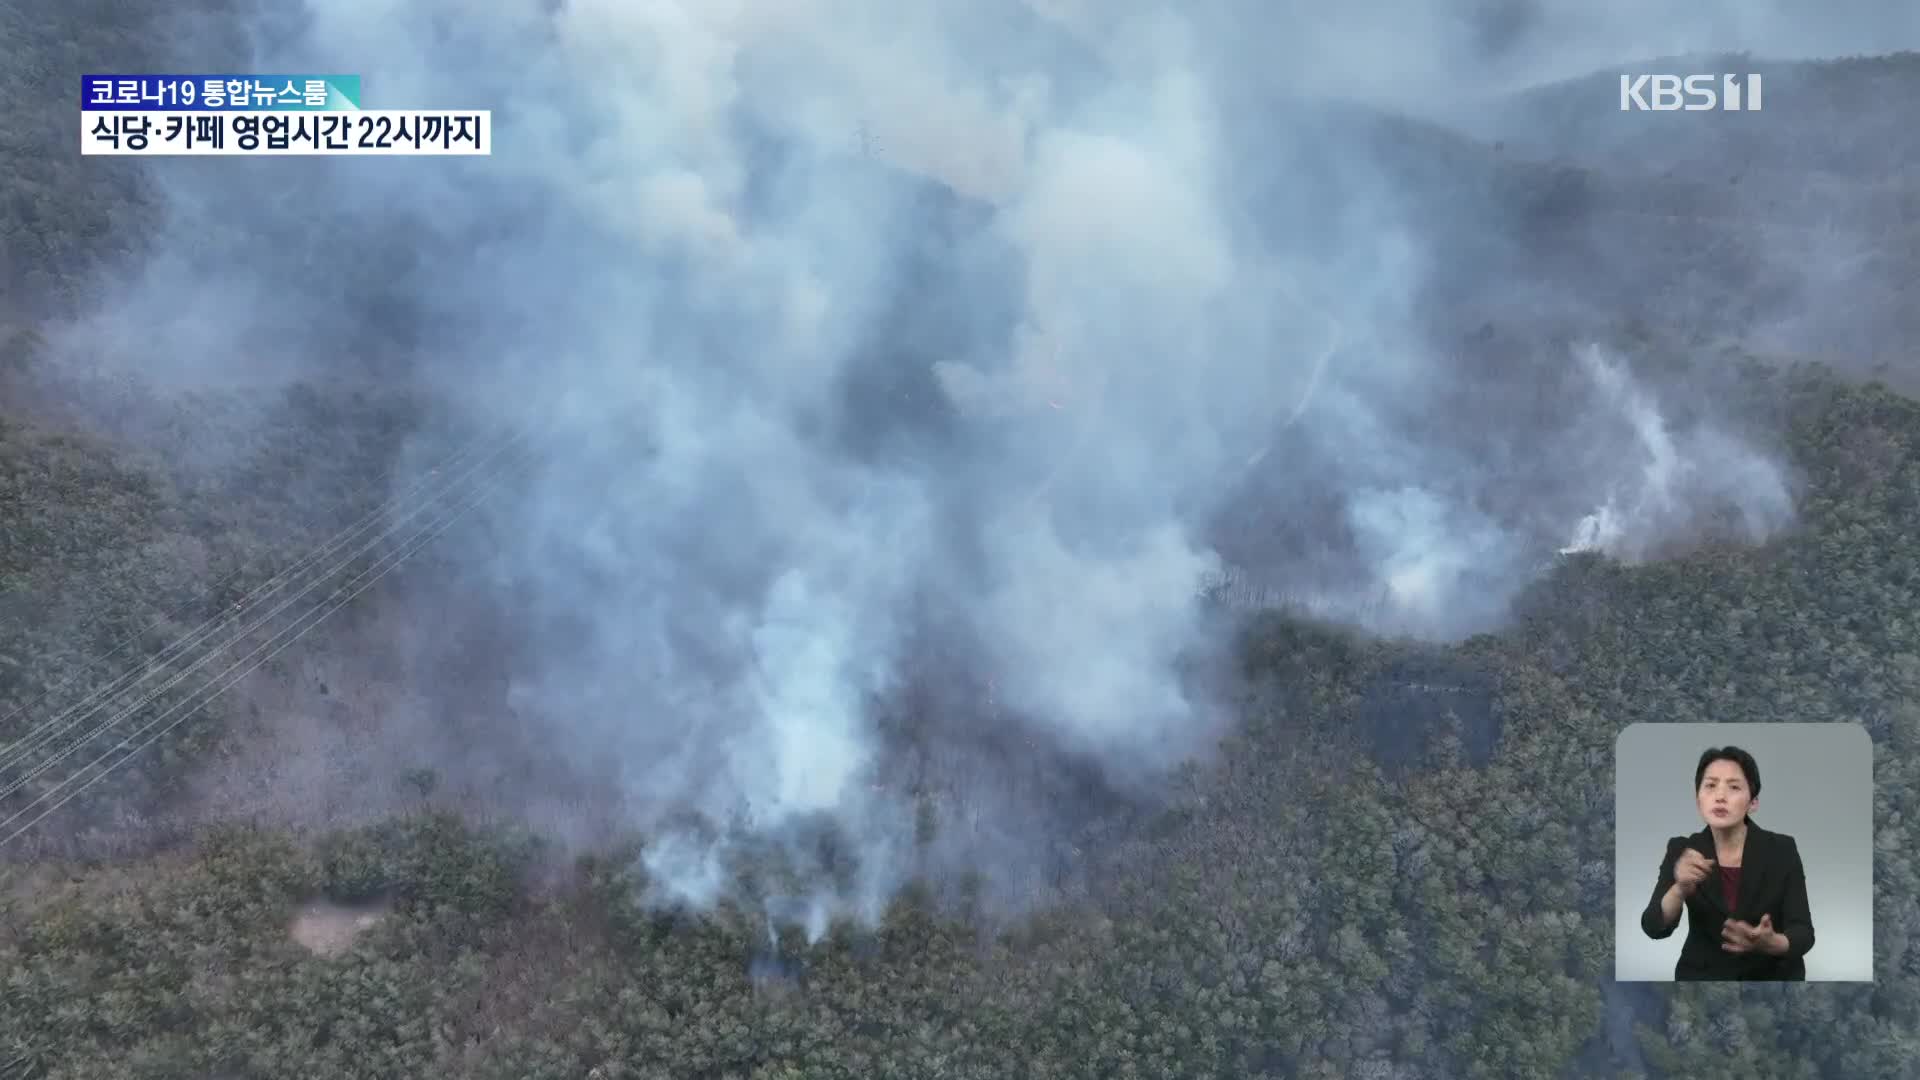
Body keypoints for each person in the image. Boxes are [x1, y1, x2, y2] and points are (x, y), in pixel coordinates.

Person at [1640, 746, 1816, 980]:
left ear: (1753, 802)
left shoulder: (1782, 849)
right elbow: (1653, 926)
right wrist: (1679, 889)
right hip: (1703, 980)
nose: (1720, 796)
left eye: (1734, 787)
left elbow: (1803, 931)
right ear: (1698, 799)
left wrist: (1773, 943)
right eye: (1710, 785)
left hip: (1770, 980)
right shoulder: (1682, 849)